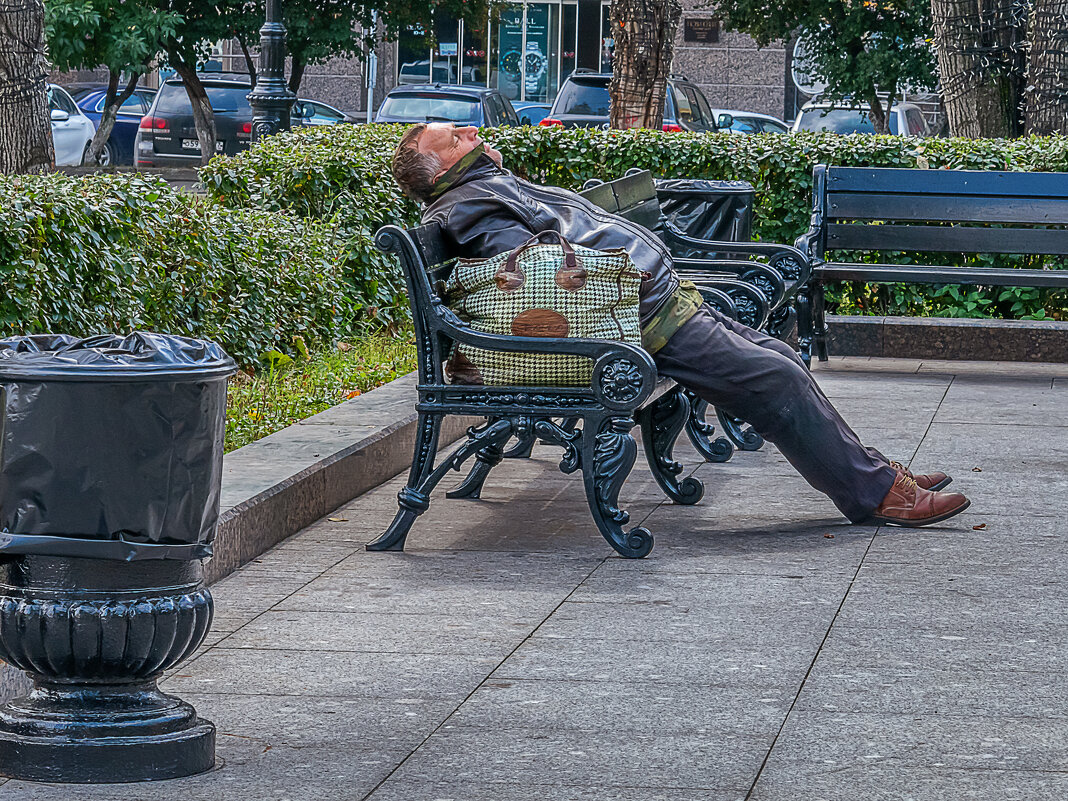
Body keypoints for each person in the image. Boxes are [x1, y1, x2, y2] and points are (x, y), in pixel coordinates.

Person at [390, 123, 971, 527]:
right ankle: (876, 496)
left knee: (781, 358)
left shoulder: (480, 189)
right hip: (639, 324)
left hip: (658, 304)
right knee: (776, 379)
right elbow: (541, 279)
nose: (472, 134)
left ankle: (866, 469)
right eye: (457, 138)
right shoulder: (470, 207)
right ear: (442, 164)